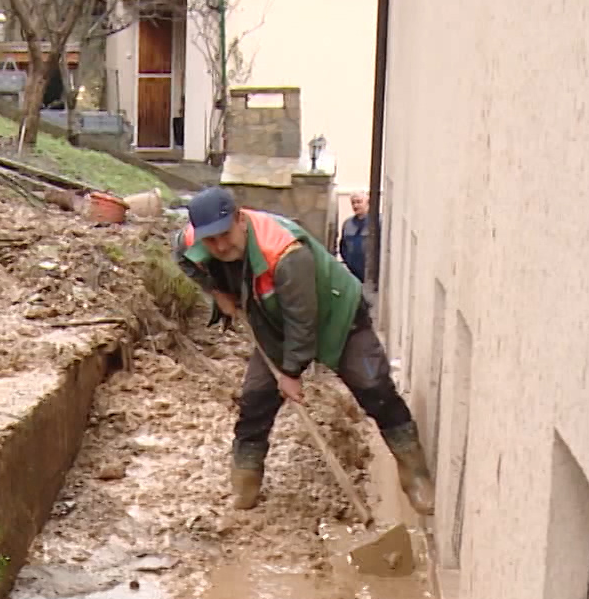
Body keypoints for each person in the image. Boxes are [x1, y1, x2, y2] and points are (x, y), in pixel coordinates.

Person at [172, 186, 435, 514]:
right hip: (274, 324)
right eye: (211, 241)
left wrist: (292, 372)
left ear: (240, 220)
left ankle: (415, 475)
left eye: (225, 235)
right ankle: (244, 486)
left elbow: (303, 322)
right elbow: (181, 256)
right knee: (255, 400)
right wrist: (217, 292)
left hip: (335, 316)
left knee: (374, 387)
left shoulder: (284, 252)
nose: (221, 246)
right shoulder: (194, 240)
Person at [338, 192, 375, 282]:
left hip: (371, 273)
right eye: (353, 203)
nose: (356, 205)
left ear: (368, 203)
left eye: (359, 202)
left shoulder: (376, 223)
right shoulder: (348, 224)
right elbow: (343, 246)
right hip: (353, 273)